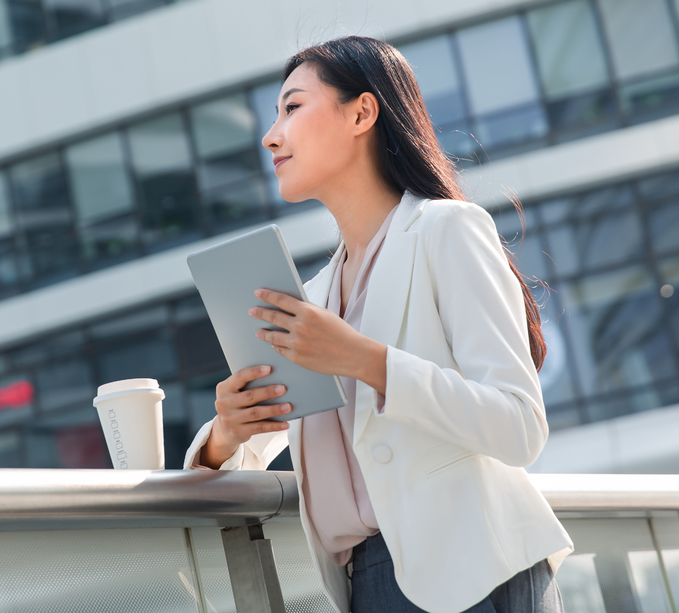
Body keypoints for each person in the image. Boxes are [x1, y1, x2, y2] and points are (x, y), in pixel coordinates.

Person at [182, 35, 574, 613]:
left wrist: (367, 361)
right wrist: (226, 433)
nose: (271, 136)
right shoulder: (310, 297)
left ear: (362, 112)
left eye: (292, 108)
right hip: (365, 587)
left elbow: (520, 426)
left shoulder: (447, 230)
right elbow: (243, 456)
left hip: (475, 572)